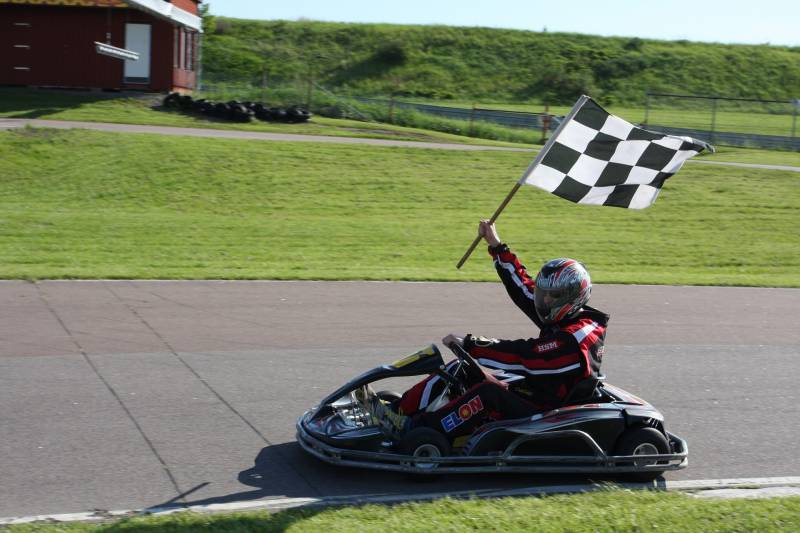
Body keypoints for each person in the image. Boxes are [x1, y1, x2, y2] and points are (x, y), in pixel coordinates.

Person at [372, 220, 610, 441]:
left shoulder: (578, 336)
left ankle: (419, 434)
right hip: (534, 390)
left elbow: (527, 356)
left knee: (488, 393)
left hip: (549, 411)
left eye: (552, 296)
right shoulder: (563, 315)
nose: (544, 300)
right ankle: (397, 411)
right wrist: (496, 246)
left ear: (572, 297)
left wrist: (472, 344)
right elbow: (524, 290)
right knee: (460, 369)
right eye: (543, 293)